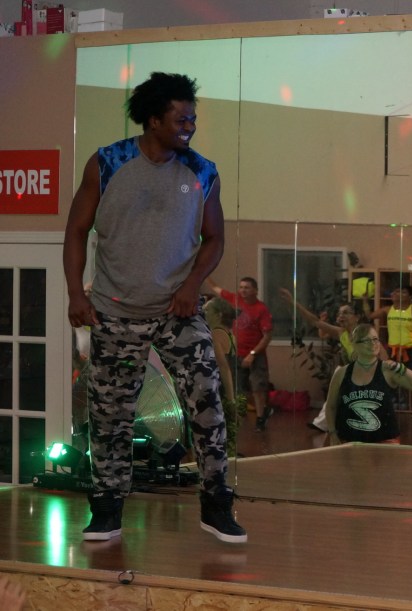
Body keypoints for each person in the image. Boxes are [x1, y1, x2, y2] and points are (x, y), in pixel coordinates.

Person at [63, 72, 246, 543]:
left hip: (177, 312)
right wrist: (76, 294)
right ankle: (107, 508)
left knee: (207, 399)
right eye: (180, 119)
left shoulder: (202, 171)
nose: (190, 127)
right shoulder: (108, 162)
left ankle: (216, 503)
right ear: (153, 119)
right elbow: (76, 230)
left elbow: (215, 238)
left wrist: (192, 285)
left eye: (193, 119)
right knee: (110, 414)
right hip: (115, 311)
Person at [279, 288, 387, 431]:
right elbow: (315, 321)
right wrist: (293, 303)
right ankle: (322, 424)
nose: (341, 316)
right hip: (348, 370)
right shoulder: (341, 332)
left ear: (357, 317)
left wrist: (384, 372)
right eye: (339, 313)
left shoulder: (366, 333)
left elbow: (383, 353)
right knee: (334, 394)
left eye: (346, 313)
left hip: (366, 372)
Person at [326, 324, 412, 444]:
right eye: (366, 340)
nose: (373, 344)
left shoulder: (388, 370)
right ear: (355, 345)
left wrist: (401, 368)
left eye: (375, 339)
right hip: (349, 440)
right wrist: (332, 433)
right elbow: (331, 406)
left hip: (384, 441)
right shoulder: (342, 373)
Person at [206, 276, 273, 431]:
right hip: (237, 353)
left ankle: (260, 418)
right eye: (241, 287)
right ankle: (239, 417)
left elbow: (267, 336)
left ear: (255, 290)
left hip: (256, 355)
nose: (243, 290)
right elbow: (215, 288)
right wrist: (203, 272)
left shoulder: (261, 309)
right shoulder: (234, 300)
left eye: (247, 288)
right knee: (239, 388)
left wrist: (253, 354)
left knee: (257, 387)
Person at [363, 286, 412, 412]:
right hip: (394, 349)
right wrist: (365, 300)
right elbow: (370, 315)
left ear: (410, 297)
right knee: (393, 377)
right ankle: (396, 404)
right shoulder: (388, 309)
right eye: (397, 291)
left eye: (403, 292)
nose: (398, 294)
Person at [203, 297, 244, 457]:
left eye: (207, 310)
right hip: (232, 386)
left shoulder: (216, 334)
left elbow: (223, 367)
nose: (203, 312)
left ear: (218, 314)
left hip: (222, 389)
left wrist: (230, 399)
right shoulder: (230, 334)